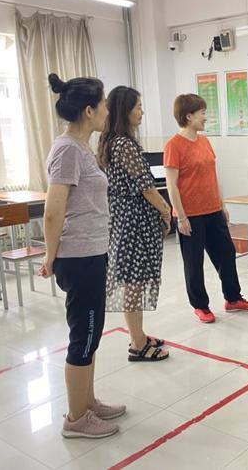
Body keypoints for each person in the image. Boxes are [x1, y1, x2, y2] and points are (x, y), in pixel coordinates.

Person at [38, 73, 124, 439]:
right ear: (89, 110)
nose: (107, 110)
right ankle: (75, 419)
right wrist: (49, 255)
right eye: (103, 104)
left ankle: (87, 402)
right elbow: (53, 210)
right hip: (79, 256)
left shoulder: (82, 146)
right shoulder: (68, 149)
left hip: (92, 252)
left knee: (92, 333)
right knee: (84, 335)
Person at [164, 93, 248, 324]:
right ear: (189, 116)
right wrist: (182, 217)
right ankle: (201, 306)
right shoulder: (174, 145)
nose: (206, 117)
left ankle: (233, 299)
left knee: (226, 254)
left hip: (213, 210)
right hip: (190, 216)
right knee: (194, 263)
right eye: (203, 113)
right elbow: (171, 186)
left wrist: (221, 204)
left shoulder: (205, 141)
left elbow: (212, 176)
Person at [97, 86, 171, 362]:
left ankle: (138, 335)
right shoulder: (123, 144)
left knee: (135, 281)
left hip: (125, 219)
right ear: (124, 111)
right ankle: (137, 344)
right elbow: (146, 186)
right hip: (133, 223)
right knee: (134, 282)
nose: (141, 112)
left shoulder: (111, 142)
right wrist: (165, 209)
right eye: (138, 107)